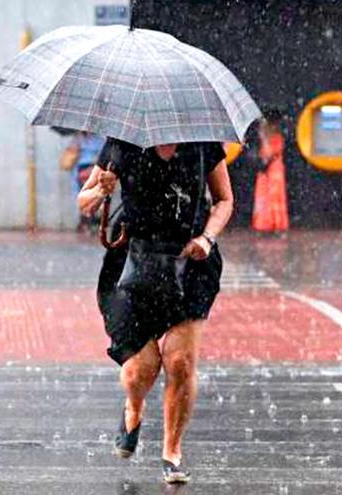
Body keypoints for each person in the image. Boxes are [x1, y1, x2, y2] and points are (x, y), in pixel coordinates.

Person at [77, 138, 232, 484]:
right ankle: (133, 408)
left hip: (191, 262)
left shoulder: (203, 144)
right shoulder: (123, 144)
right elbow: (84, 202)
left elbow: (225, 200)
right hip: (133, 264)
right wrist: (102, 190)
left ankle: (172, 453)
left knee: (180, 362)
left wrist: (207, 238)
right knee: (140, 371)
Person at [252, 111, 290, 235]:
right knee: (265, 196)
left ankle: (274, 224)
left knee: (273, 196)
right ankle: (266, 224)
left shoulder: (275, 137)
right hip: (268, 170)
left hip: (273, 170)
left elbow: (269, 153)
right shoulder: (269, 137)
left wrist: (264, 139)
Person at [64, 132, 105, 232]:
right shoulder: (77, 139)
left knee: (93, 195)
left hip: (92, 169)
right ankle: (87, 220)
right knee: (84, 195)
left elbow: (103, 154)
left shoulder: (99, 139)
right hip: (81, 170)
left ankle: (91, 220)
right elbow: (71, 154)